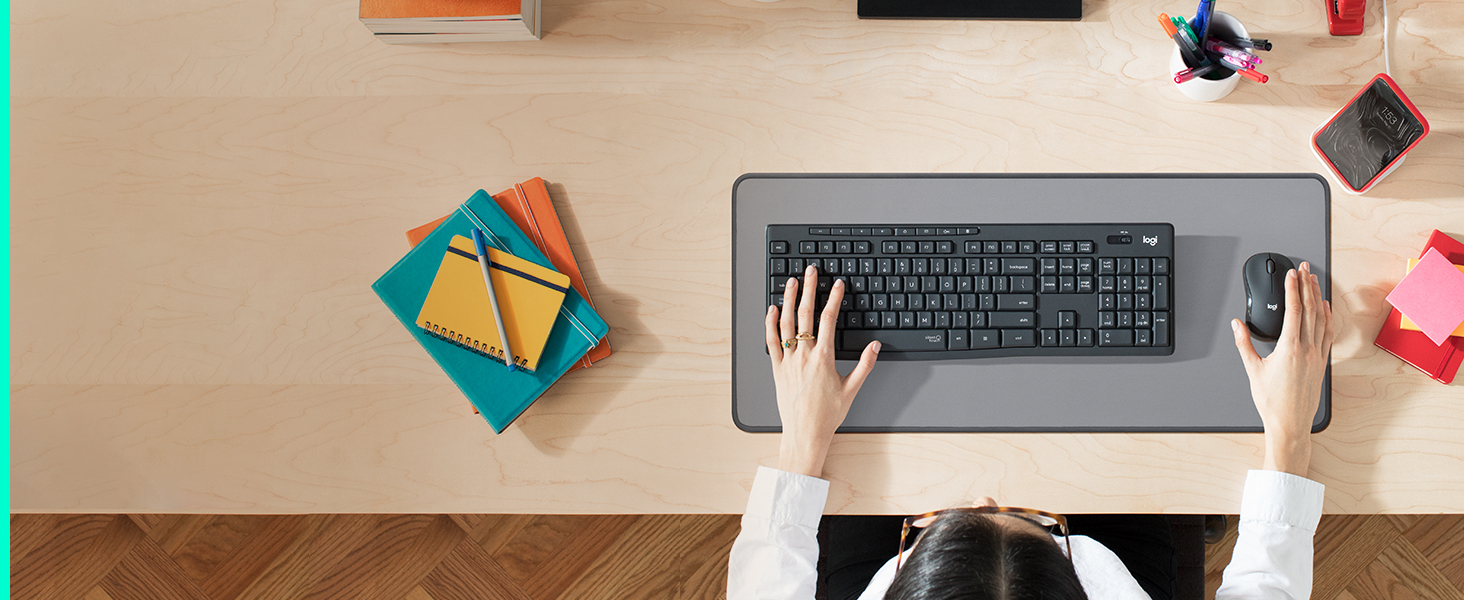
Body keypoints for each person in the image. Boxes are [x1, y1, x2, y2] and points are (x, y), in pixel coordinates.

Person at [728, 261, 1335, 600]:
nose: (985, 498)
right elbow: (1266, 586)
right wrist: (1289, 431)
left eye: (941, 525)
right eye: (1042, 524)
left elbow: (764, 585)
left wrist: (801, 440)